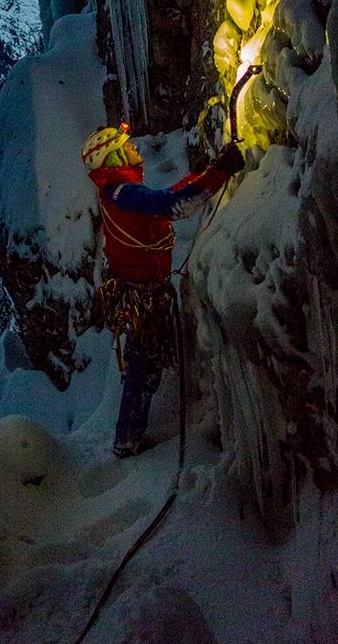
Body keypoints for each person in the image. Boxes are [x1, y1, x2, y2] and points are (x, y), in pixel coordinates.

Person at [82, 123, 244, 458]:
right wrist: (219, 173)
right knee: (142, 367)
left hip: (137, 288)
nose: (134, 148)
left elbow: (164, 199)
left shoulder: (119, 189)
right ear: (112, 155)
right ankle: (126, 440)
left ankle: (128, 436)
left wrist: (206, 174)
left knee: (143, 364)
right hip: (143, 293)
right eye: (126, 146)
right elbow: (172, 206)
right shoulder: (122, 192)